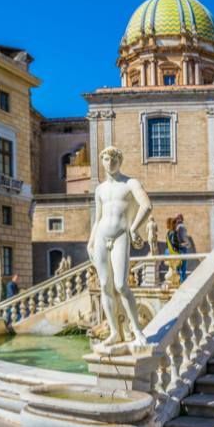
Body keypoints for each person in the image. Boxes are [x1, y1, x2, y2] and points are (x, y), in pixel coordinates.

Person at [88, 146, 151, 350]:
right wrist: (90, 241)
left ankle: (137, 330)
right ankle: (115, 332)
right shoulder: (100, 189)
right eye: (106, 159)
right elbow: (97, 219)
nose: (110, 162)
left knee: (121, 285)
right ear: (102, 161)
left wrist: (134, 228)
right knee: (105, 285)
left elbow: (146, 206)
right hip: (100, 237)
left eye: (114, 158)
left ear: (120, 161)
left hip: (121, 235)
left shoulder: (131, 183)